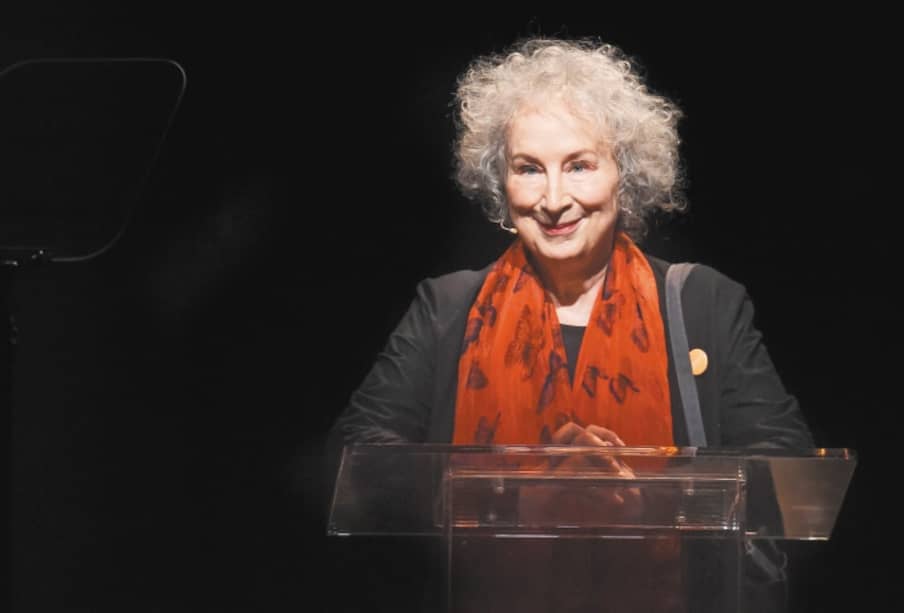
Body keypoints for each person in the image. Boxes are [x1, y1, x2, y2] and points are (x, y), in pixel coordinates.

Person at [329, 36, 813, 613]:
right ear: (501, 183)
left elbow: (787, 472)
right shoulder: (448, 306)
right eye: (529, 169)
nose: (554, 199)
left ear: (623, 176)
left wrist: (647, 501)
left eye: (579, 166)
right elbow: (354, 460)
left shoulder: (704, 303)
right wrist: (515, 498)